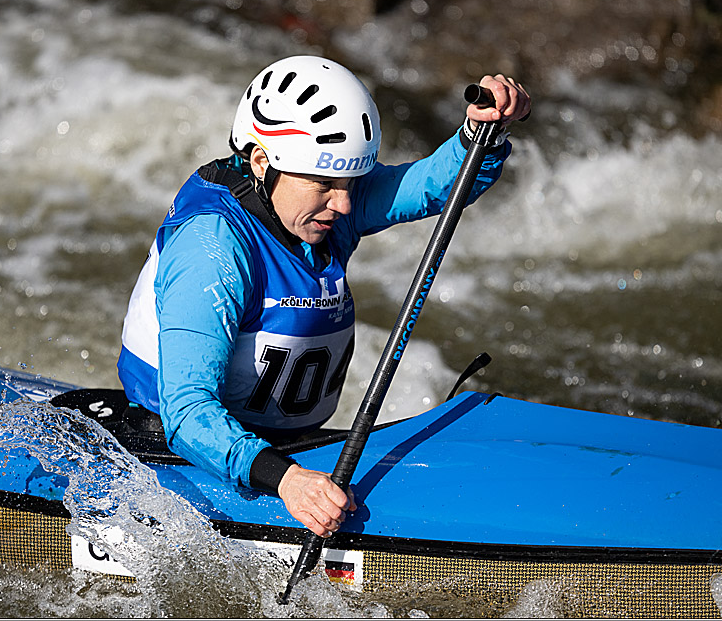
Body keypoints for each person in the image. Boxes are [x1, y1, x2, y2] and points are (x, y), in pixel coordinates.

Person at [117, 55, 530, 538]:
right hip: (189, 452)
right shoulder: (211, 250)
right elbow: (187, 413)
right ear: (260, 162)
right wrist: (288, 482)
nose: (346, 204)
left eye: (351, 183)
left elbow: (432, 188)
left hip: (294, 445)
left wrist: (481, 134)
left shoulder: (313, 208)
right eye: (325, 185)